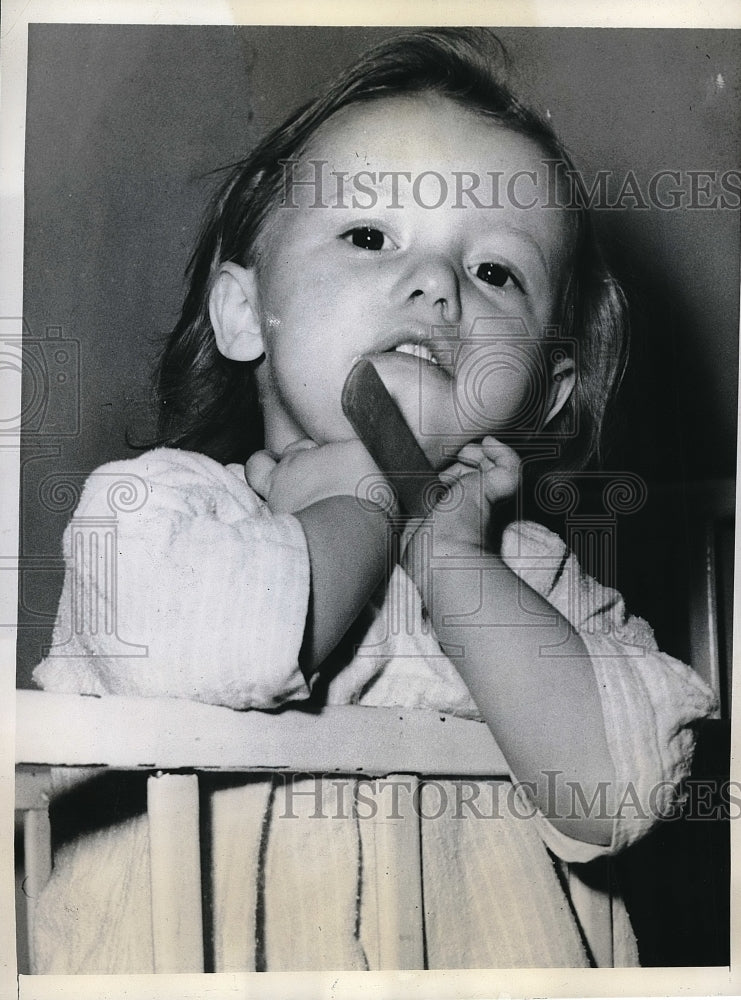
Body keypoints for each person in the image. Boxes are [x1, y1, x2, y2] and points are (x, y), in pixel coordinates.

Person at [31, 28, 715, 971]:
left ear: (545, 390)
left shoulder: (543, 586)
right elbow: (211, 644)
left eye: (493, 272)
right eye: (367, 236)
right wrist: (365, 492)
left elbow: (618, 790)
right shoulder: (160, 509)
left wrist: (451, 559)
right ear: (242, 314)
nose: (435, 285)